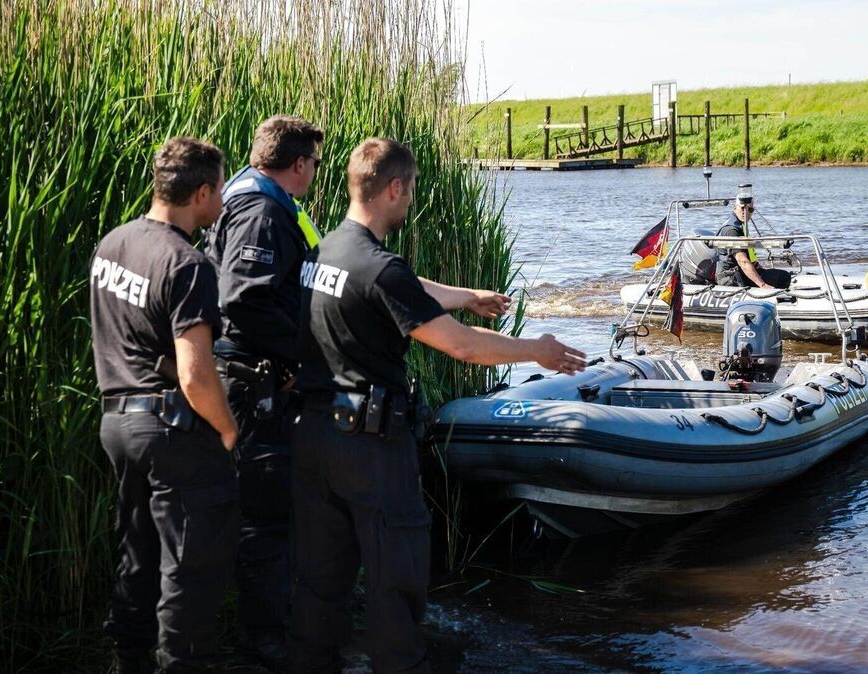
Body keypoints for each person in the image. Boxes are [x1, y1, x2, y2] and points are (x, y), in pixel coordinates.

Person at [288, 138, 587, 672]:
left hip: (315, 439)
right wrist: (535, 351)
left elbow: (394, 287)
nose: (411, 203)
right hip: (371, 448)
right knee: (395, 576)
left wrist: (466, 296)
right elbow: (461, 345)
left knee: (322, 578)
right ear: (394, 188)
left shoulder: (325, 251)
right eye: (411, 191)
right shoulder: (379, 266)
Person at [90, 137, 239, 673]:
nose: (222, 200)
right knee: (190, 567)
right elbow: (196, 374)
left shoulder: (113, 243)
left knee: (138, 552)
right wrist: (226, 429)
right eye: (219, 189)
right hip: (170, 431)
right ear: (200, 193)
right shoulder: (187, 263)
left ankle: (127, 660)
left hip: (117, 422)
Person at [203, 115, 324, 669]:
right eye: (314, 164)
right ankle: (263, 643)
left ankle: (266, 626)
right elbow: (244, 299)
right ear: (298, 164)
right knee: (264, 519)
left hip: (257, 378)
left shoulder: (254, 198)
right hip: (255, 384)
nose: (315, 174)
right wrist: (295, 356)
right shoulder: (261, 210)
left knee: (266, 513)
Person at [715, 184, 792, 289]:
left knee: (779, 275)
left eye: (750, 210)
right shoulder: (732, 230)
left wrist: (760, 269)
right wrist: (762, 285)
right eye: (742, 208)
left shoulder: (741, 225)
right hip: (730, 276)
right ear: (735, 208)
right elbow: (742, 261)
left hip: (739, 272)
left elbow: (749, 257)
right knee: (783, 277)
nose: (745, 212)